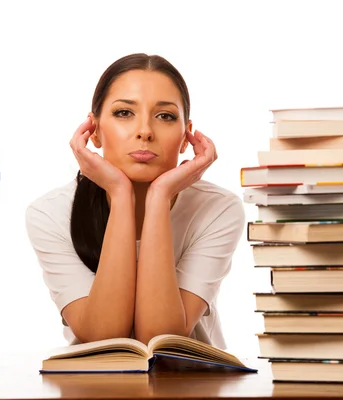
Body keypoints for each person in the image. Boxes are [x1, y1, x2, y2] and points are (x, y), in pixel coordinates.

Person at [25, 53, 245, 349]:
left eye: (165, 116)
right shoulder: (50, 213)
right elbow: (104, 337)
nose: (145, 131)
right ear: (95, 130)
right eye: (124, 113)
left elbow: (161, 338)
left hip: (191, 387)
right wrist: (120, 194)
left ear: (185, 138)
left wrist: (158, 196)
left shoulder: (218, 209)